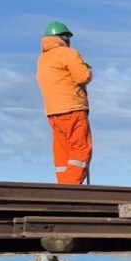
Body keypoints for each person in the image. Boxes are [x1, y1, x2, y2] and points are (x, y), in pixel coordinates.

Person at [36, 21, 93, 184]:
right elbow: (83, 77)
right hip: (73, 108)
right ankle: (71, 187)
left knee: (63, 152)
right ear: (64, 38)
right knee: (81, 151)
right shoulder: (68, 53)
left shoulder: (43, 58)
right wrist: (86, 69)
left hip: (53, 112)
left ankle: (62, 187)